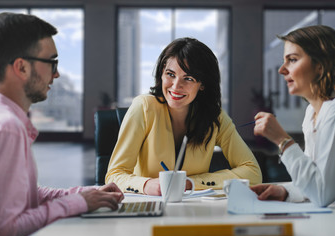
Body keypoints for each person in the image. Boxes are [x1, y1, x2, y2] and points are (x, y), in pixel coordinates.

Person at [0, 12, 124, 236]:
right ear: (21, 68)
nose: (57, 73)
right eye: (51, 62)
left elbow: (23, 196)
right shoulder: (8, 127)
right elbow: (4, 229)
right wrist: (77, 203)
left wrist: (84, 194)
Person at [105, 37, 262, 195]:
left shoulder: (215, 117)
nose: (176, 86)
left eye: (188, 78)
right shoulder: (144, 108)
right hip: (148, 206)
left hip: (195, 208)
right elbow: (114, 175)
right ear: (161, 74)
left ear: (202, 85)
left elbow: (253, 172)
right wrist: (146, 185)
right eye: (170, 74)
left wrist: (190, 183)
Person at [250, 25, 335, 208]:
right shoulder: (312, 113)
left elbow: (322, 194)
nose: (281, 70)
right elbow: (316, 178)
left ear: (320, 66)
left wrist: (282, 140)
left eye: (292, 60)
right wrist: (286, 191)